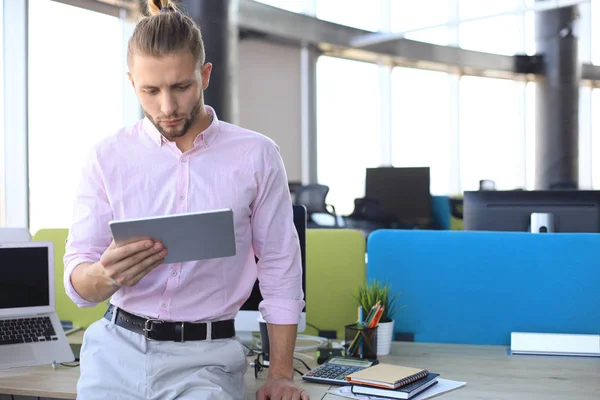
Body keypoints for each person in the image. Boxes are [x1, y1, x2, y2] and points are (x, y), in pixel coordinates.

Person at [63, 1, 308, 399]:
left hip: (206, 360)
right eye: (150, 90)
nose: (167, 106)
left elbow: (281, 268)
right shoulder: (107, 157)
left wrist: (280, 372)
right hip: (114, 353)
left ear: (205, 75)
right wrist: (104, 276)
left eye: (181, 87)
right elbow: (78, 283)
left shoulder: (256, 155)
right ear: (131, 83)